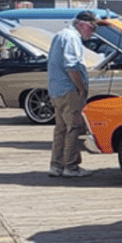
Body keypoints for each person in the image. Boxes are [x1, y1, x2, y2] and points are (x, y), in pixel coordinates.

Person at [47, 11, 97, 178]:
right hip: (69, 90)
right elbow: (72, 66)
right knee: (74, 127)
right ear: (82, 24)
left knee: (61, 129)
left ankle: (56, 165)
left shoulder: (60, 35)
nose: (93, 32)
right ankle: (71, 166)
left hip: (56, 90)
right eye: (92, 27)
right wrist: (81, 88)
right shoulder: (72, 38)